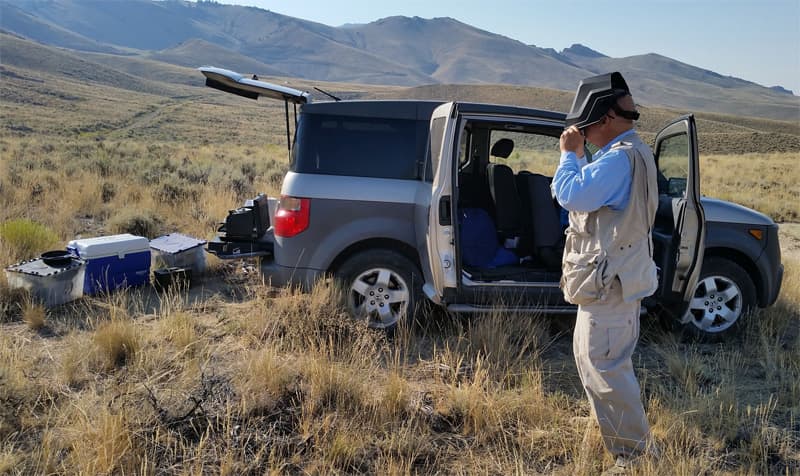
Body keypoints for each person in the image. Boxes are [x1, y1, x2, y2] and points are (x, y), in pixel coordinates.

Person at [552, 72, 659, 472]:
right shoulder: (634, 153)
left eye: (588, 126)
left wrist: (569, 153)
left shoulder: (617, 159)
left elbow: (570, 194)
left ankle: (635, 457)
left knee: (607, 370)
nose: (584, 133)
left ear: (609, 119)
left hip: (610, 284)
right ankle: (623, 443)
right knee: (597, 363)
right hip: (612, 281)